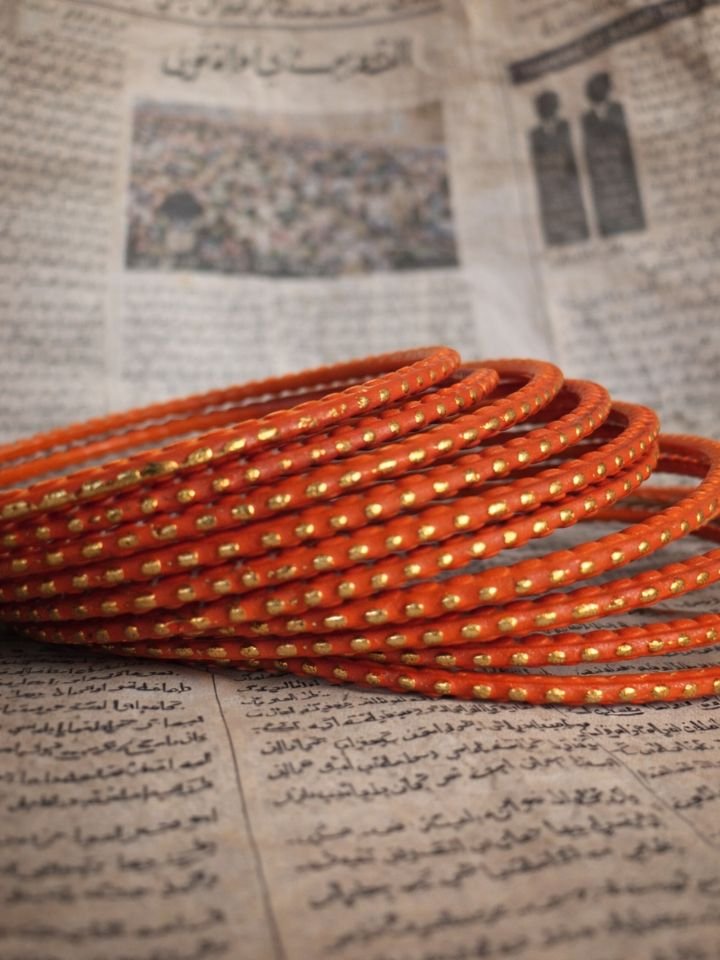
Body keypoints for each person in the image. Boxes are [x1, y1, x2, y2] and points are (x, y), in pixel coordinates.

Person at [582, 71, 645, 236]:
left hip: (623, 176)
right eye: (593, 88)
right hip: (603, 182)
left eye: (601, 87)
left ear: (607, 90)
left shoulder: (619, 110)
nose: (597, 91)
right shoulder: (586, 119)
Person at [530, 89, 589, 245]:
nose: (547, 110)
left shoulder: (566, 128)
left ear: (556, 107)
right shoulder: (535, 135)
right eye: (543, 107)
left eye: (550, 106)